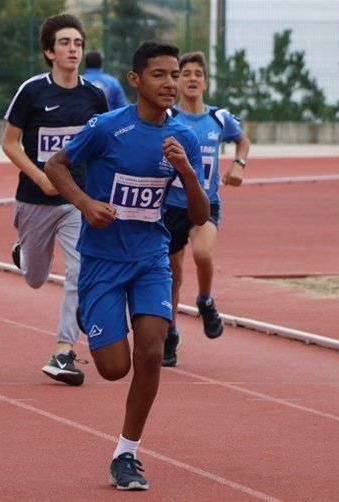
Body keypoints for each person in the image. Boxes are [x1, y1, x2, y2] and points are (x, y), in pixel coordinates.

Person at [45, 41, 209, 490]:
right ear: (136, 80)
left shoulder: (184, 140)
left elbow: (198, 216)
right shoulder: (106, 127)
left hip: (151, 258)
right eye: (159, 75)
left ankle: (126, 453)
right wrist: (84, 203)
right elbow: (57, 164)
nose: (171, 83)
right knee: (115, 368)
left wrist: (188, 174)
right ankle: (91, 314)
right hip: (101, 261)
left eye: (175, 74)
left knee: (152, 352)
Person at [2, 14, 108, 386]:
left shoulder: (95, 96)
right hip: (34, 199)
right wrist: (40, 176)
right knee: (35, 278)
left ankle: (64, 351)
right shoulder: (32, 91)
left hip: (74, 201)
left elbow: (102, 146)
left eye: (77, 43)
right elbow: (9, 143)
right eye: (64, 43)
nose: (72, 49)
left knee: (81, 272)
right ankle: (24, 251)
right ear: (49, 51)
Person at [161, 51, 251, 367]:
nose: (192, 79)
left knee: (203, 254)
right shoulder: (168, 117)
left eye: (198, 73)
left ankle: (205, 300)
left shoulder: (219, 118)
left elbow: (243, 140)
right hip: (169, 206)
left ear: (206, 82)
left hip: (206, 202)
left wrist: (238, 165)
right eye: (186, 73)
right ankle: (169, 333)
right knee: (171, 276)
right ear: (177, 80)